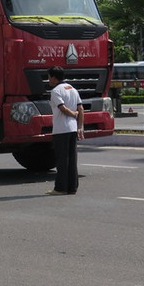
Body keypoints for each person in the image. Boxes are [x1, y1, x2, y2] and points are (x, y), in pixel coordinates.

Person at [46, 66, 84, 195]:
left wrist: (73, 114)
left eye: (49, 77)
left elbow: (62, 108)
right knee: (72, 158)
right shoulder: (72, 89)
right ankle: (72, 187)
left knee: (62, 159)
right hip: (72, 128)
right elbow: (81, 109)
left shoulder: (56, 91)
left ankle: (60, 188)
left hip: (61, 129)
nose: (48, 80)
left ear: (54, 77)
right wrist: (80, 126)